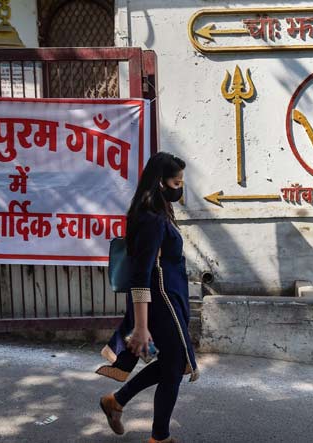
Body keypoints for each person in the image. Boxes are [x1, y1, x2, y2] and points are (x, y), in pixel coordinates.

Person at [97, 152, 199, 443]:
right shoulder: (151, 218)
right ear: (160, 183)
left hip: (170, 299)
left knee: (173, 365)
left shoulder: (160, 210)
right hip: (160, 304)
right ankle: (159, 437)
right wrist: (141, 328)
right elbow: (141, 275)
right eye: (176, 181)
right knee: (176, 364)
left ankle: (116, 402)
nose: (180, 187)